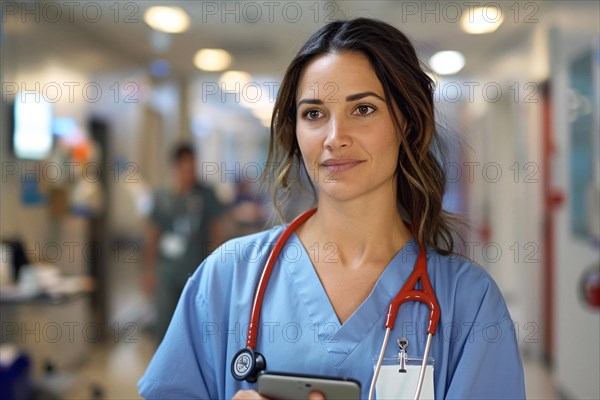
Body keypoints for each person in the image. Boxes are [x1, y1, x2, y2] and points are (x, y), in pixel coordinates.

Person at [138, 18, 525, 399]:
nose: (335, 137)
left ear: (405, 121)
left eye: (363, 109)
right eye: (314, 114)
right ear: (296, 132)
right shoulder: (228, 278)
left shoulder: (469, 304)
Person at [142, 143, 226, 344]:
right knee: (164, 321)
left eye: (192, 165)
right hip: (167, 270)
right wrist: (148, 271)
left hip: (196, 268)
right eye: (184, 166)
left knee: (194, 323)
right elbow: (153, 235)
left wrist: (216, 269)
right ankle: (163, 369)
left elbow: (216, 233)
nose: (189, 171)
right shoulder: (162, 196)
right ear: (175, 167)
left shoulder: (206, 194)